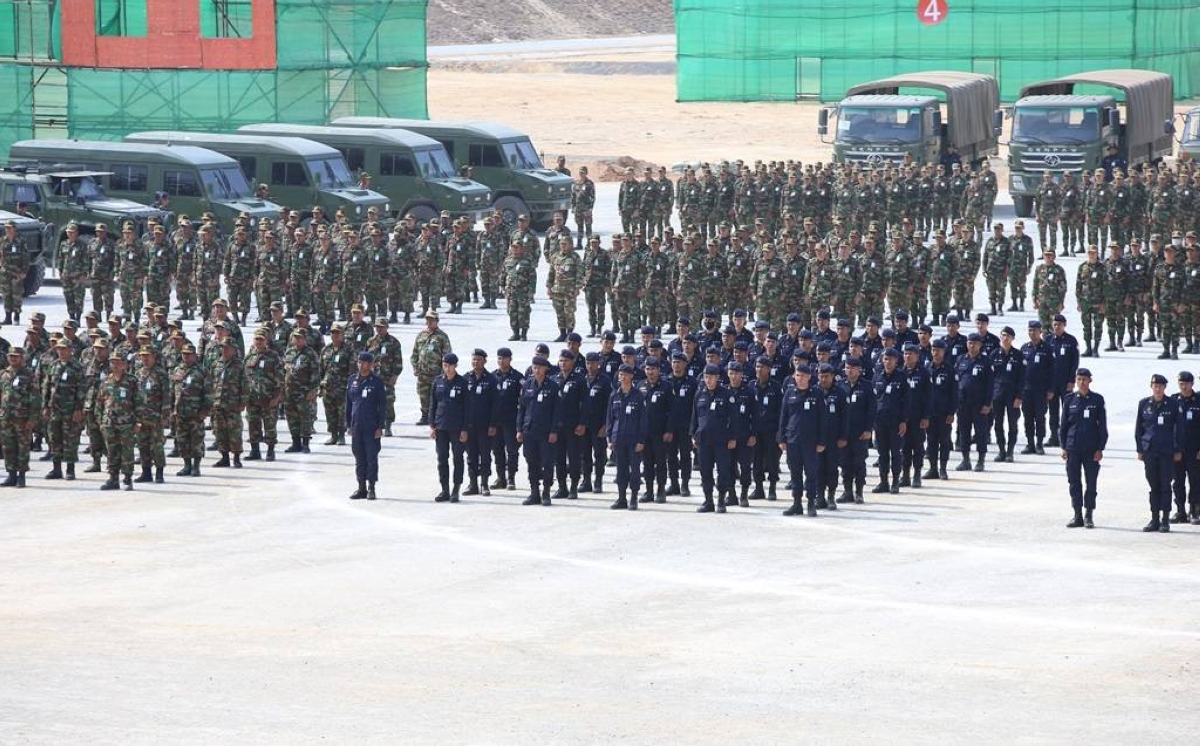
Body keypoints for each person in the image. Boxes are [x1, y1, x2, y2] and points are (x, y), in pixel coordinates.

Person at [1135, 373, 1181, 532]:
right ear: (1151, 386)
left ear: (1165, 387)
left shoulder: (1173, 404)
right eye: (1155, 386)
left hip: (1166, 451)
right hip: (1150, 450)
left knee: (1165, 484)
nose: (1158, 389)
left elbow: (1178, 429)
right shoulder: (1144, 404)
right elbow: (1139, 428)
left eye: (1161, 386)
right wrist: (1140, 449)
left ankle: (1165, 519)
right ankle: (1154, 518)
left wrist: (1177, 449)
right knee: (1153, 484)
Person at [778, 363, 825, 516]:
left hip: (811, 441)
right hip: (793, 440)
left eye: (803, 376)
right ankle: (796, 503)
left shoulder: (816, 393)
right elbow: (783, 417)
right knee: (795, 474)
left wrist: (821, 441)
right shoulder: (790, 393)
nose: (800, 378)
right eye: (797, 375)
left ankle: (811, 502)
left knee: (811, 474)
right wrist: (781, 438)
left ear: (810, 377)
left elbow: (822, 419)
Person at [517, 356, 562, 506]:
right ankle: (534, 492)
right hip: (529, 430)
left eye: (539, 368)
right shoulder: (527, 385)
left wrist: (554, 431)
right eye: (534, 367)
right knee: (531, 462)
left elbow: (557, 411)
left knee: (548, 463)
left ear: (546, 369)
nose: (536, 370)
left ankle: (546, 492)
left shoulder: (553, 387)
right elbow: (522, 409)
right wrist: (519, 429)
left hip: (546, 431)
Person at [692, 363, 734, 513]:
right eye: (706, 377)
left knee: (723, 471)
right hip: (703, 439)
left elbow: (733, 417)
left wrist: (732, 437)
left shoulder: (726, 394)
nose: (708, 380)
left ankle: (721, 500)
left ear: (717, 378)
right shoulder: (700, 394)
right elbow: (695, 417)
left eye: (711, 377)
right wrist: (693, 434)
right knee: (705, 471)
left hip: (721, 440)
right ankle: (708, 500)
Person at [606, 364, 648, 510]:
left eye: (625, 374)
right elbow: (610, 419)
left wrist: (641, 440)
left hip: (634, 439)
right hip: (619, 439)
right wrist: (610, 438)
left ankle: (634, 497)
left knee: (635, 471)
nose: (622, 377)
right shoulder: (614, 395)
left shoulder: (638, 396)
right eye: (620, 375)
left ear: (631, 376)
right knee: (621, 470)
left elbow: (643, 420)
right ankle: (621, 498)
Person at [346, 351, 386, 501]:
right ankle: (361, 487)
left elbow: (382, 405)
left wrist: (380, 426)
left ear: (371, 364)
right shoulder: (352, 380)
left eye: (365, 362)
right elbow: (349, 404)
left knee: (371, 457)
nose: (362, 365)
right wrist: (348, 424)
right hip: (356, 425)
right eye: (360, 362)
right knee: (359, 457)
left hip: (371, 426)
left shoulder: (376, 382)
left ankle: (371, 487)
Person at [429, 353, 469, 503]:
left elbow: (467, 408)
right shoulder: (438, 382)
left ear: (455, 366)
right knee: (442, 459)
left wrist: (465, 429)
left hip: (457, 427)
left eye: (449, 365)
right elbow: (433, 405)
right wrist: (432, 425)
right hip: (441, 426)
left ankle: (456, 488)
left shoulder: (462, 383)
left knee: (458, 458)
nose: (447, 368)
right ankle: (444, 489)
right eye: (444, 365)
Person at [412, 310, 451, 426]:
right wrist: (415, 366)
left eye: (432, 320)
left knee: (437, 395)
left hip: (436, 373)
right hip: (422, 372)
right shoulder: (421, 335)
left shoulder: (442, 337)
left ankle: (436, 416)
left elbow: (446, 355)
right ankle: (425, 415)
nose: (429, 322)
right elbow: (415, 353)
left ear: (437, 321)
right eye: (428, 319)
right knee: (423, 394)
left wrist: (445, 371)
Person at [1172, 371, 1200, 524]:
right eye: (1181, 384)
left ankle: (1195, 511)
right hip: (1177, 449)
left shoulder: (1198, 401)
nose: (1184, 387)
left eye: (1186, 384)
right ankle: (1180, 511)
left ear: (1192, 384)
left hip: (1194, 449)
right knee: (1177, 481)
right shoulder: (1172, 400)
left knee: (1195, 480)